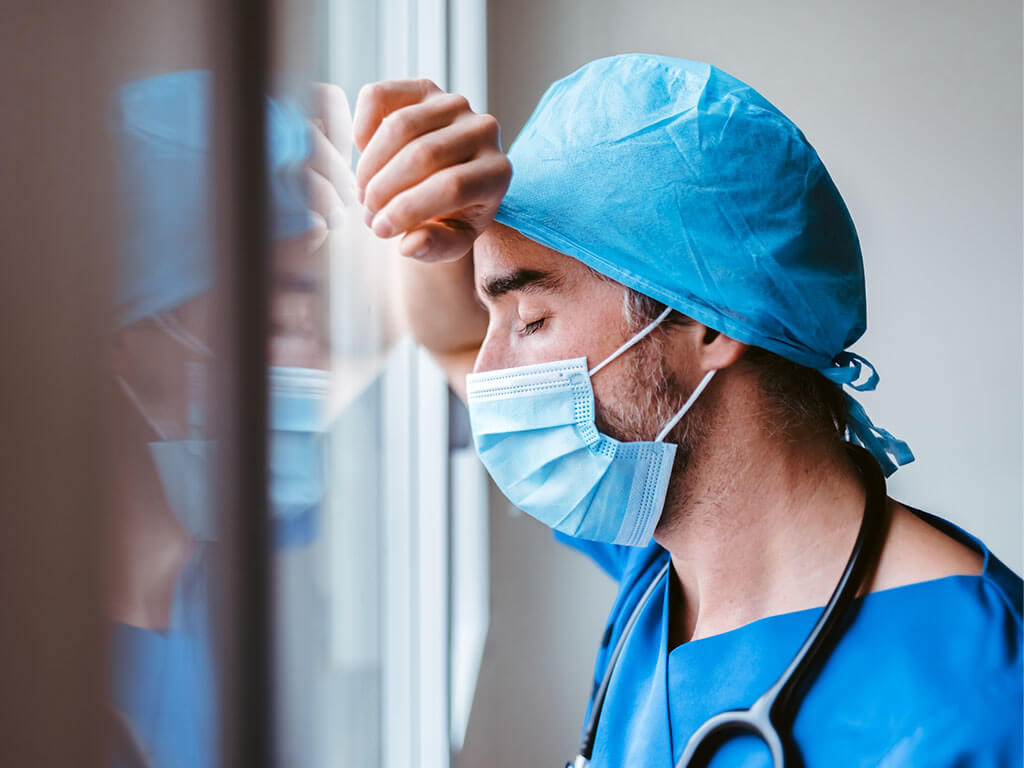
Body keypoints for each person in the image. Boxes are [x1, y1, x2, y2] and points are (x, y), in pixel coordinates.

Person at [351, 54, 1023, 765]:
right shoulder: (663, 567)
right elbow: (450, 336)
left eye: (531, 320)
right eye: (498, 315)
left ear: (710, 323)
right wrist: (429, 208)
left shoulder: (980, 697)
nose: (488, 374)